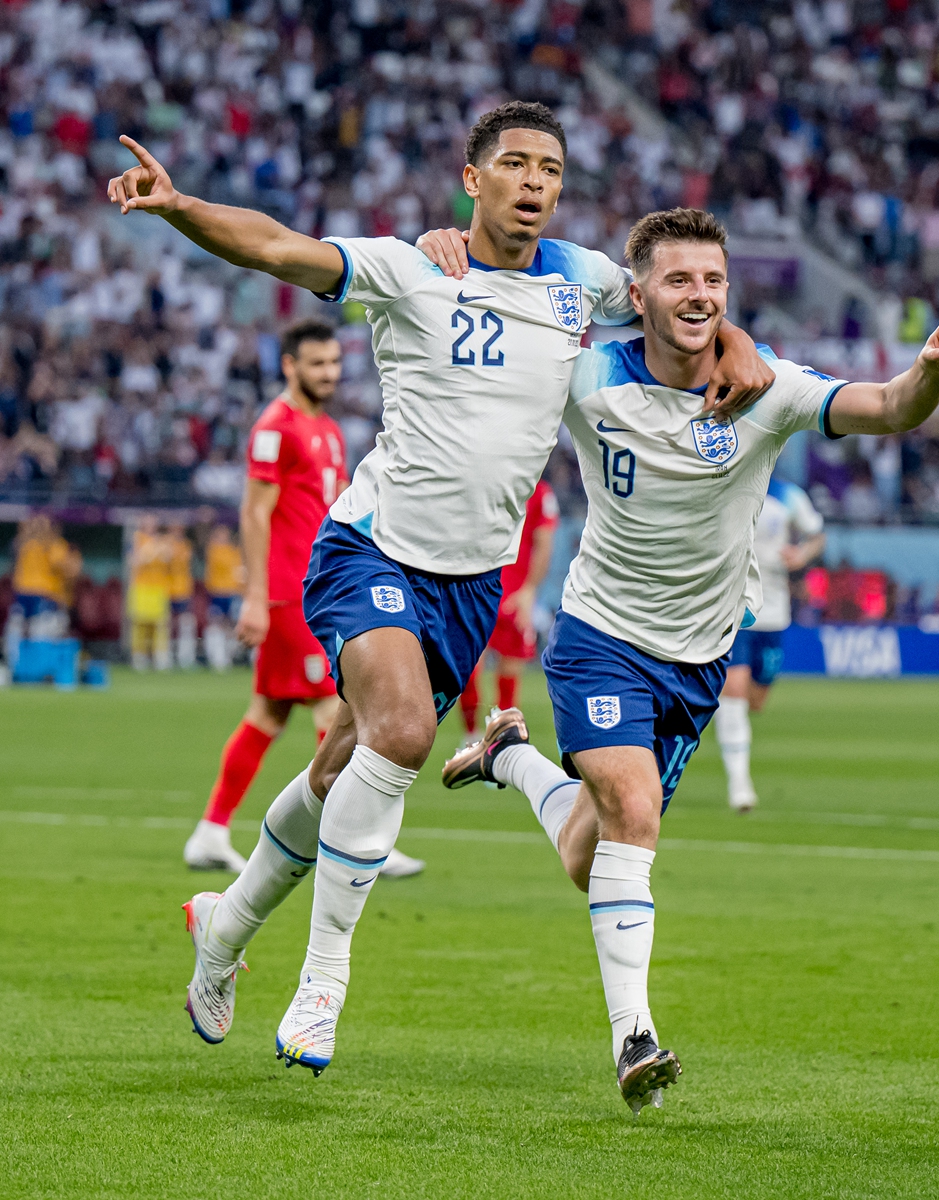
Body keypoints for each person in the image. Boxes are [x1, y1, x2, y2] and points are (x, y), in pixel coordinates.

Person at [108, 101, 771, 1067]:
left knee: (344, 764)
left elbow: (686, 302)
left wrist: (740, 343)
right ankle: (323, 979)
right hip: (371, 547)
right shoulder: (410, 267)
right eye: (514, 164)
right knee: (408, 734)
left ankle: (225, 926)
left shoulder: (586, 283)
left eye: (550, 166)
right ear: (474, 180)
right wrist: (179, 207)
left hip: (469, 584)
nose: (535, 182)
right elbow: (279, 247)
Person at [442, 207, 939, 1113]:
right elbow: (502, 316)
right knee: (634, 814)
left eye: (714, 283)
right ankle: (633, 1038)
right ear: (637, 291)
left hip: (697, 658)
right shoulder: (584, 375)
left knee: (588, 855)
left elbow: (884, 407)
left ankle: (510, 758)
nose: (699, 296)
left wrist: (927, 375)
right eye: (680, 280)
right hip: (600, 634)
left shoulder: (766, 390)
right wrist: (440, 249)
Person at [183, 319, 426, 878]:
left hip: (317, 588)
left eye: (334, 364)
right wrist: (253, 596)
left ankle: (211, 830)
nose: (329, 374)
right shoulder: (276, 427)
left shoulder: (329, 431)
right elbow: (253, 512)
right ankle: (362, 840)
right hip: (290, 595)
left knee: (267, 714)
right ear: (289, 365)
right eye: (316, 364)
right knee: (342, 710)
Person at [714, 477, 825, 811]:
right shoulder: (725, 480)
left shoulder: (788, 494)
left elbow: (817, 534)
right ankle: (740, 787)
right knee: (734, 688)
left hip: (775, 610)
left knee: (755, 700)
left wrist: (803, 554)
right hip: (732, 606)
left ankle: (721, 718)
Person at [458, 479, 559, 740]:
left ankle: (500, 744)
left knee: (509, 670)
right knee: (467, 668)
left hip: (515, 595)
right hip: (479, 589)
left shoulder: (541, 493)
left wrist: (530, 590)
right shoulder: (489, 480)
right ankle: (470, 737)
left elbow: (544, 543)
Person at [7, 514, 81, 653]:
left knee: (40, 631)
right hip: (35, 593)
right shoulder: (28, 543)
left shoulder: (55, 545)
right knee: (22, 629)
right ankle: (20, 663)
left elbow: (68, 571)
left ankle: (37, 663)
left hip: (43, 594)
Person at [127, 515, 172, 671]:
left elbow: (169, 559)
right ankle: (139, 657)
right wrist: (150, 552)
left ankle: (160, 657)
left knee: (160, 625)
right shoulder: (136, 539)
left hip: (159, 587)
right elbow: (134, 561)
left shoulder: (163, 541)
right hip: (141, 587)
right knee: (140, 624)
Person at [201, 524, 244, 673]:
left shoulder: (234, 552)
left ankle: (228, 656)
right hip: (218, 592)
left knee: (230, 625)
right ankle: (216, 657)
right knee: (217, 623)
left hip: (231, 592)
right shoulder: (213, 551)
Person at [167, 522, 197, 669]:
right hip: (167, 589)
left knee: (185, 623)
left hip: (183, 589)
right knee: (166, 624)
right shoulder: (164, 544)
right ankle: (165, 656)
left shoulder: (186, 545)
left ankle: (185, 656)